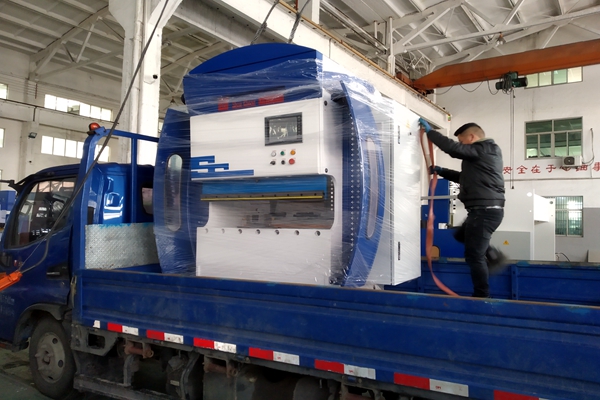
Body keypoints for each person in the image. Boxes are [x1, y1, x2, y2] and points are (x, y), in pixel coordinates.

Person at [419, 118, 507, 298]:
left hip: (485, 211)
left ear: (472, 137)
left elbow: (453, 149)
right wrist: (442, 171)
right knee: (461, 235)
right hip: (482, 210)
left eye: (461, 141)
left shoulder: (486, 149)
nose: (461, 145)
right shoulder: (481, 155)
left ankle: (482, 295)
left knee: (474, 256)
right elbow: (464, 178)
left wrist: (431, 133)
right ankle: (492, 255)